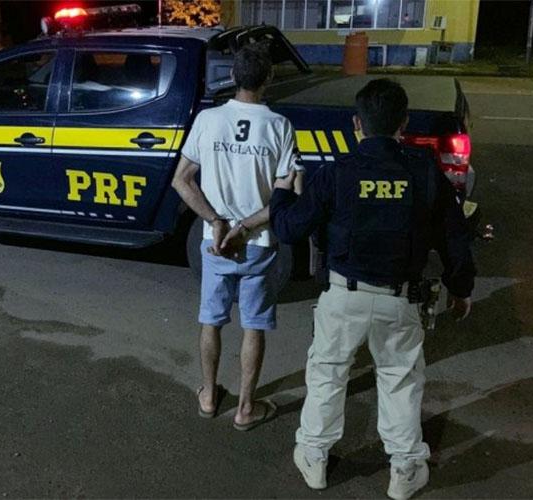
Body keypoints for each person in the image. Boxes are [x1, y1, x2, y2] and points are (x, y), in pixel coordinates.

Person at [269, 78, 475, 499]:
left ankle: (314, 459)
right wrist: (461, 288)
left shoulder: (337, 172)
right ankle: (404, 471)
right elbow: (453, 236)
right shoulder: (423, 172)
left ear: (357, 124)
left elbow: (289, 228)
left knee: (327, 376)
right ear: (404, 123)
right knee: (399, 382)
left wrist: (280, 193)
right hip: (400, 300)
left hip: (343, 295)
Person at [171, 44, 304, 431]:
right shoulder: (279, 126)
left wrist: (215, 221)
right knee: (253, 325)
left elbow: (182, 180)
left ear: (231, 76)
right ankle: (246, 408)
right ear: (269, 78)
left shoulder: (208, 120)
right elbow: (287, 193)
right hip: (257, 243)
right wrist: (245, 227)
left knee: (211, 321)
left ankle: (209, 396)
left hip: (216, 243)